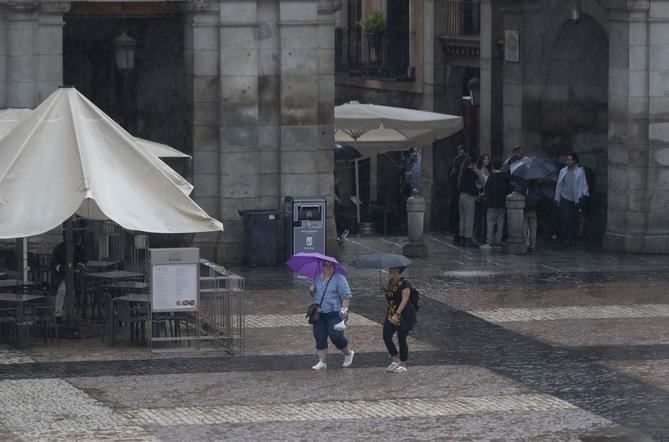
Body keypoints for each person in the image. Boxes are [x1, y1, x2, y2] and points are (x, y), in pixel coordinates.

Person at [309, 260, 355, 370]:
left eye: (331, 265)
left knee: (336, 336)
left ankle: (348, 354)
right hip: (319, 313)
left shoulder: (339, 278)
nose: (328, 267)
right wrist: (311, 291)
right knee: (319, 336)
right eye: (326, 265)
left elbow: (346, 295)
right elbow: (316, 296)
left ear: (335, 267)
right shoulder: (317, 278)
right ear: (322, 266)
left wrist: (344, 310)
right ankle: (322, 362)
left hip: (334, 312)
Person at [382, 266, 417, 373]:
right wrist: (384, 289)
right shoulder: (391, 281)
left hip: (404, 314)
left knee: (401, 338)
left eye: (392, 268)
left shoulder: (405, 283)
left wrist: (397, 314)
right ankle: (395, 359)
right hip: (391, 313)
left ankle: (403, 364)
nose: (390, 269)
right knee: (386, 335)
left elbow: (405, 300)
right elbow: (391, 296)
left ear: (398, 270)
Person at [555, 152, 589, 246]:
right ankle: (567, 237)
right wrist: (557, 198)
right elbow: (559, 185)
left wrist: (584, 196)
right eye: (567, 160)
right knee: (566, 217)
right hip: (565, 197)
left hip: (575, 198)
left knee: (574, 218)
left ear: (574, 161)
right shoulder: (563, 171)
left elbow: (584, 185)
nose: (568, 162)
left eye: (570, 160)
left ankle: (572, 237)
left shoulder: (579, 172)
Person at [51, 231, 87, 320]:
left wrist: (79, 267)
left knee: (74, 292)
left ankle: (71, 313)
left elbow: (83, 259)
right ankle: (58, 314)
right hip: (61, 276)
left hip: (75, 276)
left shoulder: (79, 248)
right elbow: (54, 263)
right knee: (61, 291)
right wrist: (63, 268)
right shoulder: (58, 249)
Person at [481, 161, 510, 248]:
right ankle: (498, 240)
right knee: (500, 223)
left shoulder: (491, 177)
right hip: (501, 203)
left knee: (490, 223)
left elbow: (487, 190)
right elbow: (507, 189)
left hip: (491, 203)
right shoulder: (504, 177)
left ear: (493, 167)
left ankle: (489, 241)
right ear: (501, 167)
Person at [458, 156, 479, 247]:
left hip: (461, 196)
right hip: (469, 197)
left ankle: (461, 238)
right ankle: (468, 239)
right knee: (469, 219)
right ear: (472, 164)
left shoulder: (462, 173)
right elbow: (473, 185)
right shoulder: (471, 173)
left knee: (462, 219)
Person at [449, 145, 467, 242]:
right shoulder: (456, 166)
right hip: (457, 194)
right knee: (459, 215)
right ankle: (459, 235)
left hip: (459, 193)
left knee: (461, 216)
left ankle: (460, 235)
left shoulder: (457, 166)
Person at [474, 154, 490, 242]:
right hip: (480, 197)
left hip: (488, 197)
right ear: (482, 160)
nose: (487, 160)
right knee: (479, 218)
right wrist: (480, 190)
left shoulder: (490, 171)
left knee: (487, 217)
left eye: (488, 159)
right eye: (485, 159)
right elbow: (475, 183)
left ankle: (486, 236)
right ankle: (478, 235)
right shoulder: (477, 171)